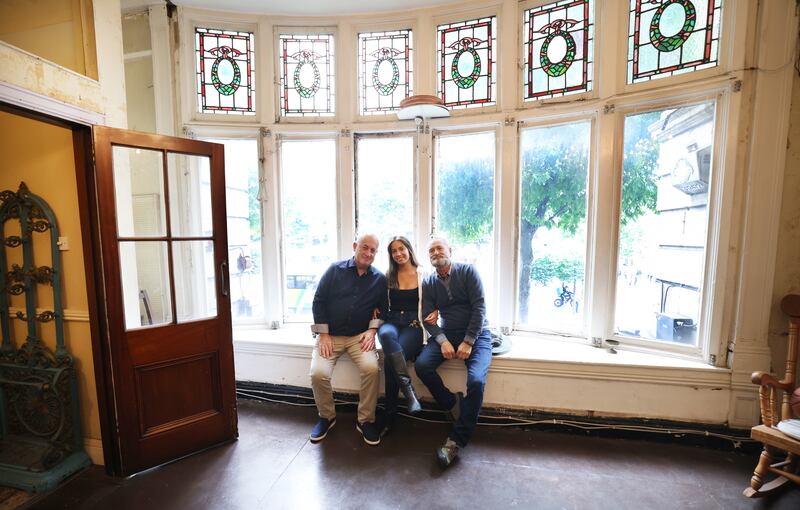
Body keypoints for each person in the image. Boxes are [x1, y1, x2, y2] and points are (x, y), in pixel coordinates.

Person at [415, 237, 492, 468]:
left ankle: (456, 440)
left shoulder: (469, 272)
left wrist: (468, 341)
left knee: (476, 381)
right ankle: (451, 402)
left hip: (478, 336)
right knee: (421, 366)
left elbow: (479, 308)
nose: (435, 252)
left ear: (451, 250)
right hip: (447, 334)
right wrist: (442, 340)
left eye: (439, 248)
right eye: (431, 250)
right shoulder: (428, 282)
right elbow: (426, 318)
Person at [308, 234, 387, 446]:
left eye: (373, 250)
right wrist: (323, 334)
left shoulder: (379, 279)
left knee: (371, 368)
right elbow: (318, 301)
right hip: (330, 336)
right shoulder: (335, 270)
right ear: (355, 246)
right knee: (318, 373)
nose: (368, 253)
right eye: (365, 247)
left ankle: (365, 420)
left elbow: (383, 310)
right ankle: (327, 417)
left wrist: (372, 332)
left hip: (358, 337)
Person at [377, 236, 425, 435]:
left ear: (409, 249)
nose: (398, 254)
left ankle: (390, 415)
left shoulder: (423, 274)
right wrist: (374, 309)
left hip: (414, 325)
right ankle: (409, 392)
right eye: (393, 251)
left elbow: (433, 300)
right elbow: (379, 302)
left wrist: (436, 312)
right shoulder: (388, 276)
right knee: (386, 335)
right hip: (392, 323)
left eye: (401, 249)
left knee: (390, 361)